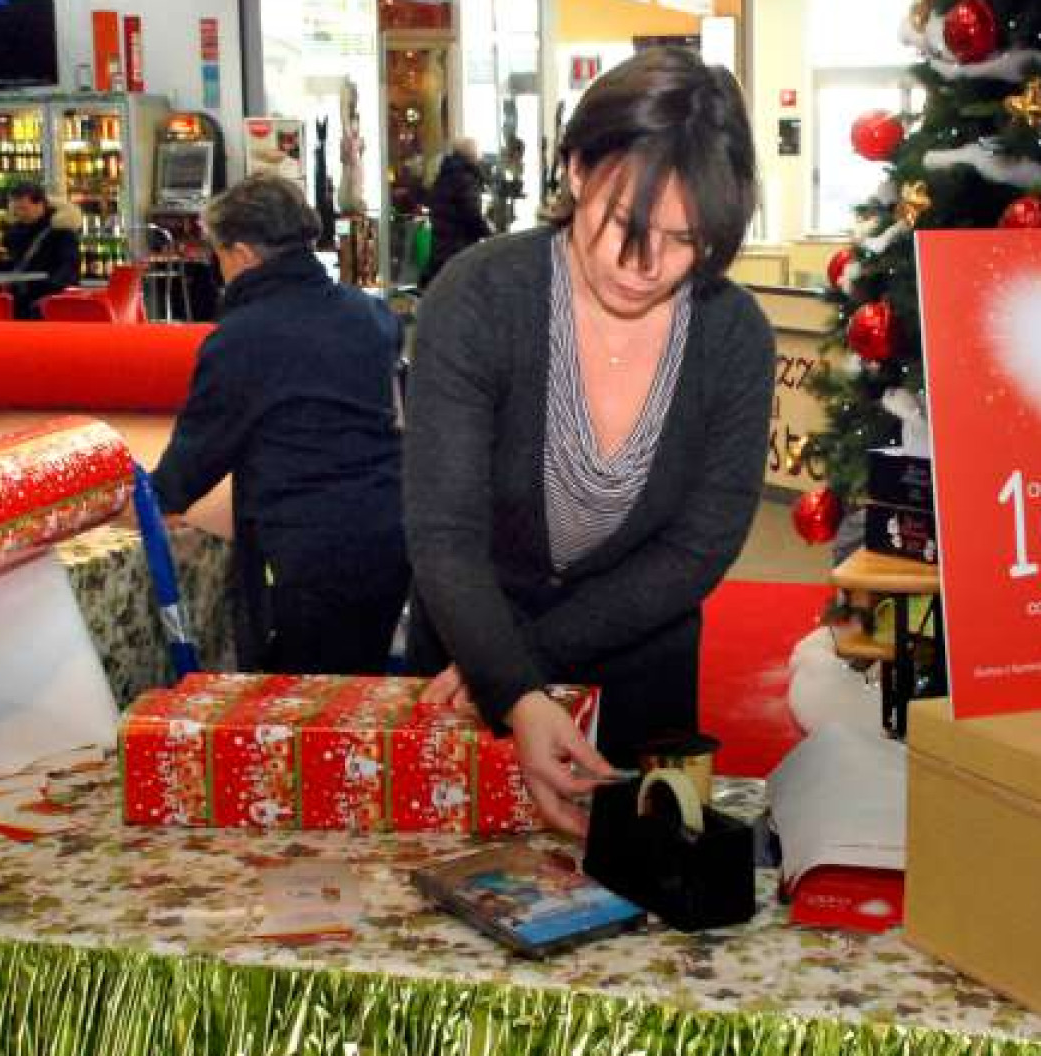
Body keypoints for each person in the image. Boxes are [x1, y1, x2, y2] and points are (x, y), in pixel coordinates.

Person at [404, 48, 772, 834]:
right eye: (626, 224)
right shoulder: (477, 298)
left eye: (686, 239)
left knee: (636, 880)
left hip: (636, 667)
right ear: (576, 170)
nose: (646, 265)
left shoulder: (733, 334)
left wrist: (521, 668)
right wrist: (508, 685)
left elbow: (697, 548)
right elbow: (445, 534)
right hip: (466, 655)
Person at [152, 173, 409, 675]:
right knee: (360, 686)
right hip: (387, 527)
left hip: (303, 547)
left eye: (219, 254)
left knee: (301, 693)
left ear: (243, 254)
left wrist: (153, 503)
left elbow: (202, 447)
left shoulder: (241, 338)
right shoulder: (371, 315)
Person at [0, 183, 80, 319]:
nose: (19, 214)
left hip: (49, 304)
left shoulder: (61, 230)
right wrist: (1, 262)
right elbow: (12, 266)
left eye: (24, 209)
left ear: (40, 205)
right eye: (16, 209)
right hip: (19, 302)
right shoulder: (14, 231)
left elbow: (69, 268)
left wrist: (48, 293)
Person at [420, 136, 492, 290]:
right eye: (478, 152)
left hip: (442, 244)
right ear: (471, 154)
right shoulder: (465, 178)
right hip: (458, 245)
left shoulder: (445, 174)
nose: (480, 156)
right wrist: (489, 233)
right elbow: (471, 213)